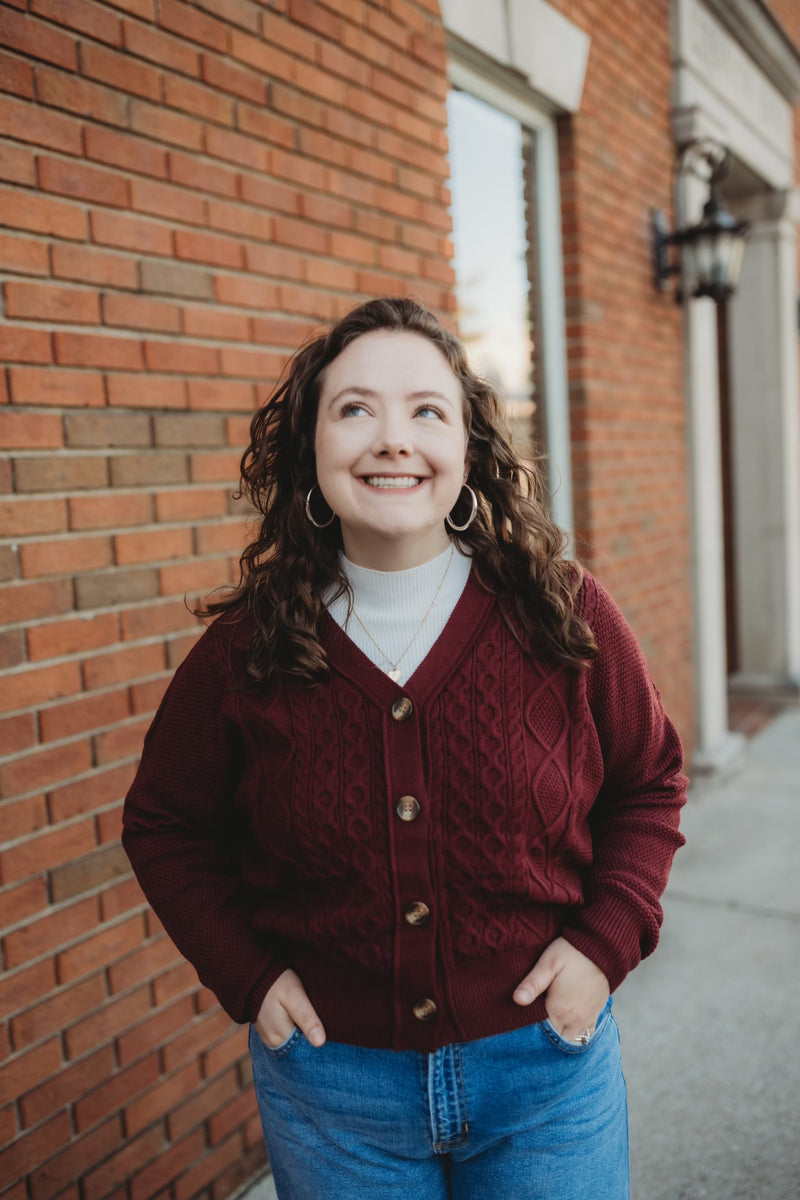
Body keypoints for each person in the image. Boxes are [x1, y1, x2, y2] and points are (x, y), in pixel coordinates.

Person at [122, 296, 687, 1200]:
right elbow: (163, 823)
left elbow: (650, 783)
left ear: (469, 452)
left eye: (427, 410)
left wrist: (605, 943)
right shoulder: (249, 648)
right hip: (334, 1095)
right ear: (311, 447)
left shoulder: (563, 614)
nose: (393, 439)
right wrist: (248, 975)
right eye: (356, 409)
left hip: (545, 1073)